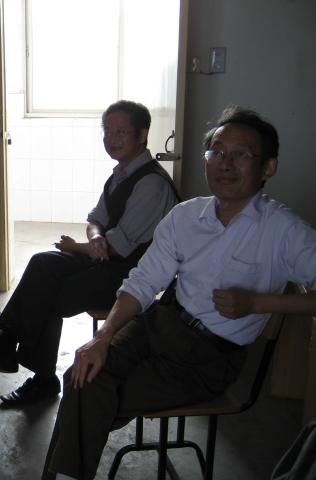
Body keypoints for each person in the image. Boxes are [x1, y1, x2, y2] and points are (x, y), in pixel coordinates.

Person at [42, 106, 316, 480]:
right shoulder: (186, 216)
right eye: (216, 152)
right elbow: (143, 281)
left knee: (90, 390)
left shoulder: (284, 231)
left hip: (209, 356)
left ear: (268, 167)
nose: (225, 163)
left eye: (240, 154)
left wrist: (259, 302)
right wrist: (103, 336)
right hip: (158, 323)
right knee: (84, 370)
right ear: (205, 162)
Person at [0, 100, 180, 405]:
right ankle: (8, 348)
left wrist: (79, 246)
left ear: (142, 135)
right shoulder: (121, 174)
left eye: (121, 131)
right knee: (42, 263)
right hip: (107, 263)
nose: (112, 138)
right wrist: (94, 238)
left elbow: (117, 246)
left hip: (131, 278)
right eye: (107, 131)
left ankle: (37, 375)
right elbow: (96, 219)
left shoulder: (152, 184)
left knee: (49, 294)